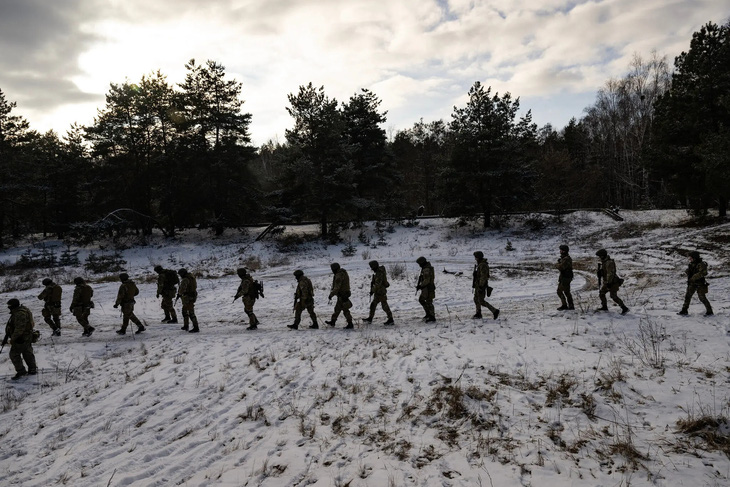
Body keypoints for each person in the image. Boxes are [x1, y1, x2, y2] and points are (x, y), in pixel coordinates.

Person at [4, 299, 38, 380]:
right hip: (26, 336)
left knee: (14, 354)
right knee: (27, 352)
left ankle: (21, 371)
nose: (8, 307)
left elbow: (19, 328)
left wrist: (13, 338)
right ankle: (32, 369)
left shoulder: (20, 313)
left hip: (21, 337)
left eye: (9, 306)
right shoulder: (23, 310)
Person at [678, 251, 713, 316]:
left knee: (702, 298)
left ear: (695, 257)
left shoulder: (701, 264)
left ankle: (709, 311)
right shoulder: (692, 264)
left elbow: (703, 273)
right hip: (692, 283)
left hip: (700, 283)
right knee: (687, 296)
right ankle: (684, 310)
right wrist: (688, 272)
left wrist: (694, 277)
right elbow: (691, 272)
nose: (689, 259)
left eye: (691, 258)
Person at [595, 249, 629, 314]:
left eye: (600, 256)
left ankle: (624, 308)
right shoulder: (604, 262)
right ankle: (604, 306)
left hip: (612, 282)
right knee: (601, 293)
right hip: (608, 282)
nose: (599, 257)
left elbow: (610, 274)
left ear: (603, 255)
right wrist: (600, 273)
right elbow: (605, 272)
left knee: (613, 296)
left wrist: (608, 283)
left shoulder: (609, 263)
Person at [363, 260, 394, 326]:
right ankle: (370, 318)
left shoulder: (379, 273)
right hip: (378, 292)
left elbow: (378, 284)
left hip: (381, 292)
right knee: (373, 305)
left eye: (372, 267)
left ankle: (390, 319)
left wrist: (372, 290)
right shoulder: (377, 272)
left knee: (384, 306)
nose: (371, 268)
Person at [325, 263, 354, 329]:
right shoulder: (343, 272)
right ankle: (333, 321)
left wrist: (331, 294)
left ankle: (350, 323)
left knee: (345, 310)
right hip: (344, 293)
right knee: (337, 309)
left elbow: (337, 287)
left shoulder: (339, 275)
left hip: (342, 294)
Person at [472, 251, 500, 320]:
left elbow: (483, 277)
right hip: (478, 285)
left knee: (481, 301)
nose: (475, 258)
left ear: (478, 257)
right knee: (476, 299)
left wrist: (481, 286)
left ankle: (495, 311)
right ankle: (478, 313)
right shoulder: (480, 264)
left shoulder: (483, 265)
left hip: (481, 285)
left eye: (476, 257)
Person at [177, 269, 199, 333]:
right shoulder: (192, 277)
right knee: (184, 311)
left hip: (188, 297)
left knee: (191, 312)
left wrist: (179, 294)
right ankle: (186, 325)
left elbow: (182, 288)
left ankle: (196, 327)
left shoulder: (185, 279)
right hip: (192, 296)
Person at [416, 256, 436, 322]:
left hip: (428, 288)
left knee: (429, 302)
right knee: (421, 300)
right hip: (426, 288)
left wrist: (420, 286)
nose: (419, 265)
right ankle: (428, 314)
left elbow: (427, 280)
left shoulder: (426, 269)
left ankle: (432, 316)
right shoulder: (426, 268)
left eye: (419, 264)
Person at [556, 245, 575, 311]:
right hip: (565, 277)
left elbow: (561, 267)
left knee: (559, 291)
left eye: (561, 250)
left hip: (565, 277)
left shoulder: (566, 259)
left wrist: (558, 264)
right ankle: (570, 305)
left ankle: (565, 305)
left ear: (564, 251)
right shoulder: (565, 258)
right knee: (567, 291)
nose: (560, 251)